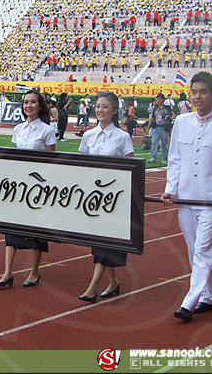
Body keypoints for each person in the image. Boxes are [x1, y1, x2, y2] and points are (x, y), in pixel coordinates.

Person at [161, 71, 212, 321]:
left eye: (203, 91)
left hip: (210, 201)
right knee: (194, 248)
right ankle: (207, 297)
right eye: (194, 92)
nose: (198, 96)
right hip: (185, 199)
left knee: (204, 249)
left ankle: (189, 302)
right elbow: (173, 160)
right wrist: (170, 188)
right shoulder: (181, 122)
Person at [0, 90, 56, 288]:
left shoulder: (47, 131)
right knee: (10, 229)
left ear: (40, 106)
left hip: (37, 188)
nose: (28, 106)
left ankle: (34, 271)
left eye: (33, 102)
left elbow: (52, 162)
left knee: (35, 231)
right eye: (26, 102)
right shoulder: (18, 129)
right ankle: (7, 273)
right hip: (18, 186)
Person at [78, 91, 134, 304]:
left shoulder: (122, 137)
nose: (100, 110)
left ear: (115, 111)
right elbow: (83, 167)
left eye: (105, 107)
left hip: (115, 198)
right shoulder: (88, 136)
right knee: (100, 242)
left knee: (105, 242)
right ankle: (113, 283)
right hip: (93, 198)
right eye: (98, 106)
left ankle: (93, 288)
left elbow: (132, 168)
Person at [148, 93, 172, 164]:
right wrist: (148, 127)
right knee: (154, 142)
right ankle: (153, 157)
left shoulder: (167, 108)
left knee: (164, 144)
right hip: (156, 127)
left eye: (160, 99)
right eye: (157, 99)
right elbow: (152, 118)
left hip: (164, 128)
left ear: (163, 100)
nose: (158, 101)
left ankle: (164, 158)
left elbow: (172, 115)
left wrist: (168, 118)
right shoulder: (156, 108)